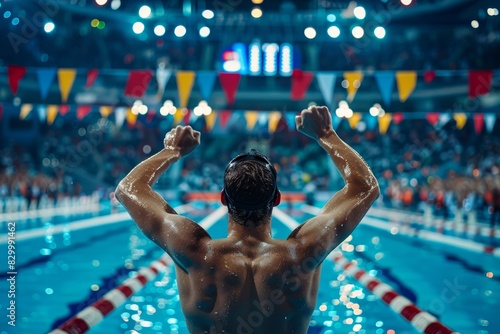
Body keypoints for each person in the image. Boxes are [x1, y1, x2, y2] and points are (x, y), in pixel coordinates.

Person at [115, 106, 379, 334]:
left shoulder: (193, 249)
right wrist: (326, 134)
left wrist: (172, 150)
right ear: (276, 199)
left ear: (223, 199)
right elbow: (364, 188)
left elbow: (129, 189)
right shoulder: (302, 252)